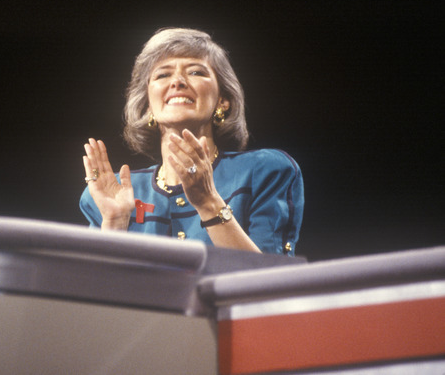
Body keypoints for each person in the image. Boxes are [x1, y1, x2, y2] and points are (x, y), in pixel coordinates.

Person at [80, 28, 303, 255]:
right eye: (163, 75)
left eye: (196, 72)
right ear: (147, 107)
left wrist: (208, 203)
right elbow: (98, 287)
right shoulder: (114, 192)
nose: (177, 82)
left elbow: (269, 282)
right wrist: (115, 225)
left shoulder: (264, 171)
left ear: (222, 101)